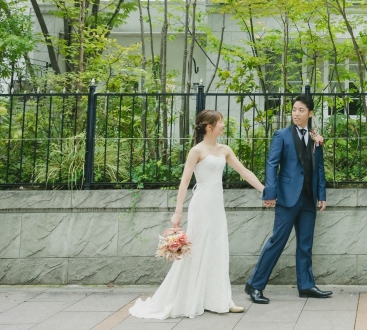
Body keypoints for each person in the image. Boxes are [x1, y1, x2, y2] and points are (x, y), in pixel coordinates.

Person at [129, 109, 266, 319]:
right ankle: (192, 299)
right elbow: (184, 182)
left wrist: (265, 191)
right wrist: (178, 212)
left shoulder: (225, 149)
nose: (223, 125)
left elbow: (244, 172)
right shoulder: (196, 151)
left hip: (217, 207)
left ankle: (221, 300)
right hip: (201, 206)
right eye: (220, 122)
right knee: (197, 250)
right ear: (209, 127)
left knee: (218, 249)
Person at [245, 94, 331, 304]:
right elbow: (271, 164)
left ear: (310, 113)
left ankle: (306, 285)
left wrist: (321, 194)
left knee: (305, 244)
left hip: (309, 198)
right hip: (286, 198)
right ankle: (254, 285)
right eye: (294, 109)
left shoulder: (315, 137)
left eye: (301, 110)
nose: (296, 113)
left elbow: (319, 167)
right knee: (277, 242)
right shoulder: (281, 135)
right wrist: (270, 193)